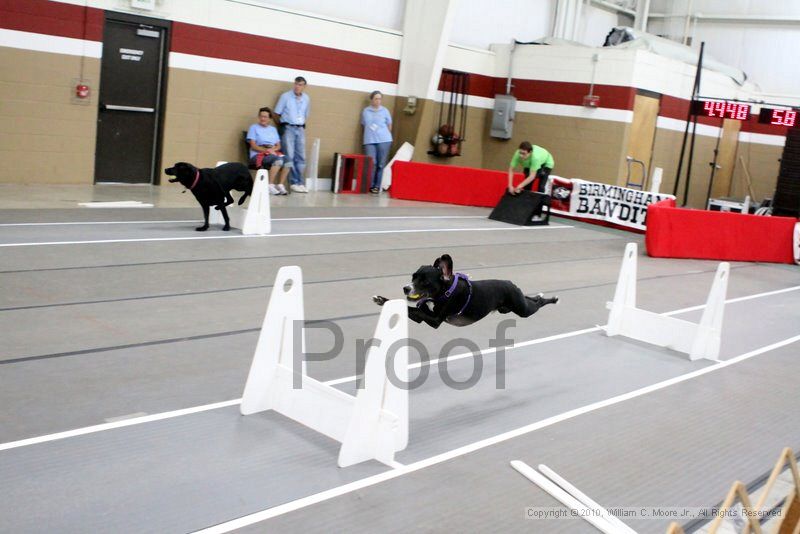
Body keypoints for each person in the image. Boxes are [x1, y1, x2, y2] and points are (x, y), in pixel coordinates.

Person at [274, 76, 310, 193]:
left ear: (304, 86)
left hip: (300, 128)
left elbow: (305, 114)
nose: (297, 86)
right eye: (296, 84)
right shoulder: (285, 96)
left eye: (300, 85)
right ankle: (293, 182)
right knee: (290, 155)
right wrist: (282, 127)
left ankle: (300, 182)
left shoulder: (306, 99)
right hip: (288, 127)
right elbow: (276, 113)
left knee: (301, 156)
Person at [246, 107, 289, 195]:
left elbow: (278, 145)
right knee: (278, 160)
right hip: (258, 154)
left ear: (269, 118)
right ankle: (270, 185)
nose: (263, 119)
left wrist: (272, 150)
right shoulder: (253, 128)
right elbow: (253, 145)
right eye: (261, 116)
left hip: (272, 152)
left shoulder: (273, 129)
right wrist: (267, 151)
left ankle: (280, 185)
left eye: (265, 117)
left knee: (289, 161)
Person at [361, 90, 393, 194]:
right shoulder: (366, 111)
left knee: (380, 164)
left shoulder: (385, 111)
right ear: (372, 100)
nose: (378, 101)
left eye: (380, 99)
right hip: (370, 140)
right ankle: (368, 185)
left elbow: (389, 125)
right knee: (372, 162)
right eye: (376, 99)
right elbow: (363, 124)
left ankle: (376, 186)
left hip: (384, 140)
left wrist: (384, 134)